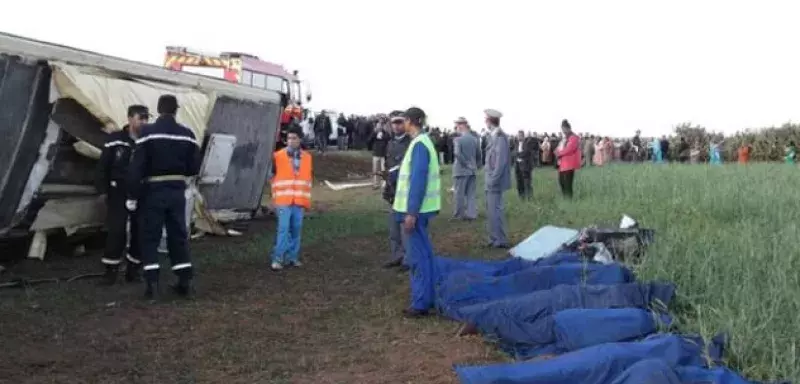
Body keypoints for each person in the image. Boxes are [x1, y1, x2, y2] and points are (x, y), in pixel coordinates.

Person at [127, 95, 201, 299]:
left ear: (158, 110)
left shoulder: (147, 133)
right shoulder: (187, 134)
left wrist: (132, 196)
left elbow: (137, 167)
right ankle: (184, 280)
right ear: (175, 110)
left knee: (150, 236)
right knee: (178, 235)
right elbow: (195, 166)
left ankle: (152, 285)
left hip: (153, 191)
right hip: (177, 191)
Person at [392, 107, 441, 318]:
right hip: (423, 210)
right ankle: (427, 296)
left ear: (411, 121)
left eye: (403, 120)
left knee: (417, 257)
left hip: (416, 212)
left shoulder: (419, 145)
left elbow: (418, 181)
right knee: (425, 254)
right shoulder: (423, 143)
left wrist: (411, 212)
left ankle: (420, 302)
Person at [95, 105, 149, 285]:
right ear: (129, 118)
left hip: (141, 192)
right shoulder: (115, 139)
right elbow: (103, 166)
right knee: (116, 231)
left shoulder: (147, 141)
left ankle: (133, 270)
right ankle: (110, 271)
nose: (143, 122)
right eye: (140, 118)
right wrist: (102, 191)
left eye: (146, 118)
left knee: (139, 231)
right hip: (118, 191)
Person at [270, 129, 313, 271]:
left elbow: (307, 178)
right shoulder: (278, 156)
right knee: (283, 229)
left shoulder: (307, 158)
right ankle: (278, 258)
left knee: (296, 229)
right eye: (289, 138)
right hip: (283, 200)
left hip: (298, 200)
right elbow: (271, 175)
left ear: (300, 139)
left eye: (294, 138)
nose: (291, 141)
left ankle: (292, 257)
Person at [382, 110, 412, 271]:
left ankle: (408, 259)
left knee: (404, 227)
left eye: (400, 122)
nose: (397, 125)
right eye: (394, 122)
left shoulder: (411, 143)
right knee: (393, 227)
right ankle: (397, 255)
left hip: (405, 190)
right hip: (393, 190)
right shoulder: (390, 143)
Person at [483, 109, 511, 248]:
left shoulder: (500, 137)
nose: (484, 121)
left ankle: (500, 240)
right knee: (491, 211)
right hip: (491, 179)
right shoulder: (493, 136)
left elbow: (501, 162)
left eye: (486, 119)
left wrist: (493, 180)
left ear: (490, 121)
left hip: (495, 181)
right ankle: (494, 238)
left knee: (496, 211)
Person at [452, 117, 479, 219]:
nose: (456, 127)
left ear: (462, 125)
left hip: (460, 170)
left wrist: (466, 163)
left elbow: (457, 154)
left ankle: (459, 214)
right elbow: (478, 154)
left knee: (459, 193)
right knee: (471, 194)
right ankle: (472, 214)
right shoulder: (474, 139)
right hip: (472, 170)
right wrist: (474, 165)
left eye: (457, 125)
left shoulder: (458, 139)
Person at [555, 119, 581, 199]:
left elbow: (570, 149)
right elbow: (558, 147)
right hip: (562, 164)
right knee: (561, 182)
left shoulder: (574, 137)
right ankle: (565, 198)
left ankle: (569, 200)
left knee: (567, 184)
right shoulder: (564, 138)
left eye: (564, 129)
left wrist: (559, 153)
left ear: (568, 128)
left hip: (569, 164)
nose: (563, 131)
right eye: (562, 129)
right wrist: (556, 151)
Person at [512, 130, 536, 200]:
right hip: (517, 165)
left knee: (527, 183)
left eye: (520, 135)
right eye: (518, 135)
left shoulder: (528, 143)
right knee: (519, 182)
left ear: (523, 136)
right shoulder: (516, 143)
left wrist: (518, 154)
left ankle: (529, 197)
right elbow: (513, 152)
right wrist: (517, 154)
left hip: (526, 166)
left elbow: (526, 152)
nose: (518, 137)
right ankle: (521, 196)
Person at [368, 119, 390, 188]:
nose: (379, 126)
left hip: (383, 154)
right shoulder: (373, 133)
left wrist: (383, 135)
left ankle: (384, 183)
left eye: (381, 125)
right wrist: (374, 134)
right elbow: (369, 140)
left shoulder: (385, 133)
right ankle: (375, 184)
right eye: (378, 125)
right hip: (376, 153)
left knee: (383, 170)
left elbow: (388, 139)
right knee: (375, 170)